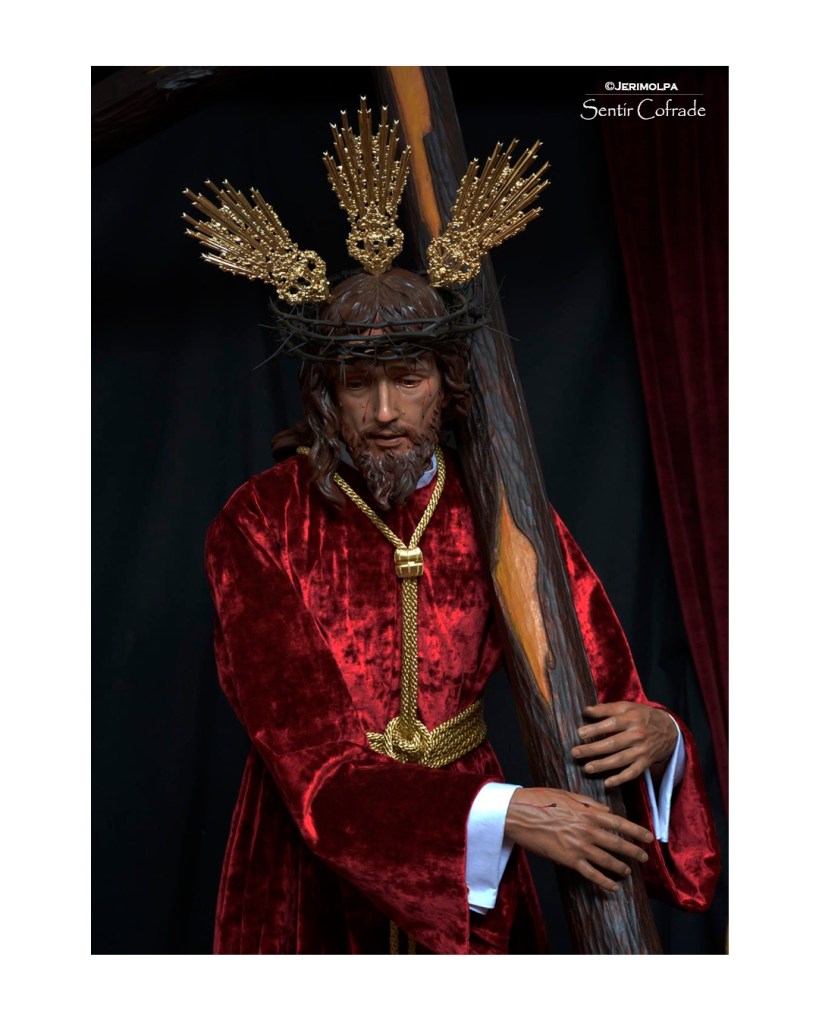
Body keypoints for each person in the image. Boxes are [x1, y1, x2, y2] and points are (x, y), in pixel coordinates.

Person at [189, 102, 720, 954]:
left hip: (481, 871)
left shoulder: (502, 511)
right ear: (325, 395)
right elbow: (310, 763)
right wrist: (504, 814)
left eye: (407, 378)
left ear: (447, 382)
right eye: (358, 385)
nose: (384, 411)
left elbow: (606, 684)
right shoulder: (259, 521)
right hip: (307, 867)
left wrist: (660, 737)